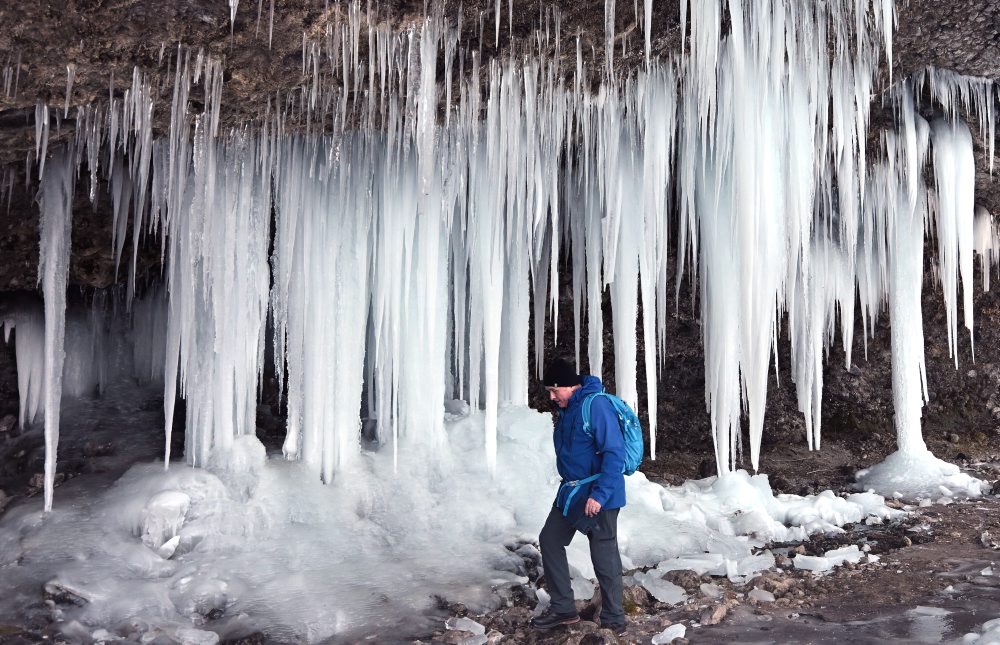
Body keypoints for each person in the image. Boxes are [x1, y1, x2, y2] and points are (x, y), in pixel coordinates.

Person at [530, 357, 626, 635]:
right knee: (550, 539)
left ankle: (614, 619)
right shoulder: (568, 409)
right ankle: (563, 609)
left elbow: (614, 452)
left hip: (599, 494)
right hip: (572, 493)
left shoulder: (595, 406)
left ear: (571, 386)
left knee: (604, 555)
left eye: (554, 390)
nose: (551, 396)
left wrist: (601, 494)